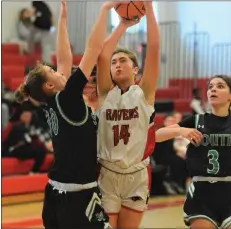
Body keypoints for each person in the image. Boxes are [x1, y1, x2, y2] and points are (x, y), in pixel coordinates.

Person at [14, 0, 117, 228]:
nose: (60, 71)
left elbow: (63, 60)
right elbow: (93, 49)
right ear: (49, 86)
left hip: (55, 191)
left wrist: (61, 21)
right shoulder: (68, 97)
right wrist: (105, 9)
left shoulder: (54, 102)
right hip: (77, 195)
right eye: (52, 72)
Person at [96, 2, 159, 228]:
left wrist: (149, 6)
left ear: (135, 69)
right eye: (114, 62)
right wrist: (122, 25)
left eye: (123, 60)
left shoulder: (144, 93)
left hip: (137, 175)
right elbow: (102, 54)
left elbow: (154, 47)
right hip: (107, 174)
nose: (117, 64)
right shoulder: (105, 94)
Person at [156, 75, 231, 229]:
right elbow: (156, 135)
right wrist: (181, 130)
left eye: (220, 86)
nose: (213, 89)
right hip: (202, 193)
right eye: (210, 87)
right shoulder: (197, 121)